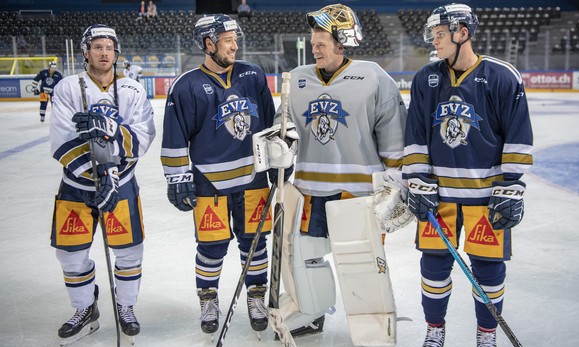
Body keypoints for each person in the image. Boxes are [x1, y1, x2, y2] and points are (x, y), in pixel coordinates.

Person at [274, 3, 408, 341]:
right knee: (303, 258)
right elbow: (283, 127)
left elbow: (395, 139)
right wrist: (280, 143)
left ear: (342, 42)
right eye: (313, 41)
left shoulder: (374, 77)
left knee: (362, 265)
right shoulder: (299, 78)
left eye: (322, 42)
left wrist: (395, 187)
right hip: (308, 191)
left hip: (358, 194)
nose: (314, 47)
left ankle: (373, 327)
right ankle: (309, 310)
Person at [402, 3, 533, 347]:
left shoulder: (503, 76)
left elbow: (518, 135)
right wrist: (416, 178)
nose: (435, 40)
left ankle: (486, 334)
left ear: (463, 33)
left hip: (485, 198)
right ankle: (434, 329)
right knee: (433, 268)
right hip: (438, 197)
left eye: (441, 34)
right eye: (434, 34)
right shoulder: (425, 79)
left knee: (489, 269)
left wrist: (511, 185)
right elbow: (415, 134)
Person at [161, 14, 277, 335]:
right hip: (208, 184)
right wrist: (177, 178)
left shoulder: (252, 75)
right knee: (211, 246)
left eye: (235, 39)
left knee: (254, 243)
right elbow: (174, 137)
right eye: (227, 40)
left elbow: (269, 124)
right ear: (208, 44)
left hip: (254, 180)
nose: (234, 46)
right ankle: (208, 299)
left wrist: (278, 161)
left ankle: (255, 296)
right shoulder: (186, 86)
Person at [49, 24, 155, 345]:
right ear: (86, 52)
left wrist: (112, 171)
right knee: (71, 253)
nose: (104, 52)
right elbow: (62, 138)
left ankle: (126, 306)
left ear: (116, 52)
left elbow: (144, 135)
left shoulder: (133, 90)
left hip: (121, 183)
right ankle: (85, 308)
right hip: (76, 185)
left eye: (109, 47)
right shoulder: (68, 87)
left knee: (129, 250)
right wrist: (97, 174)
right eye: (97, 47)